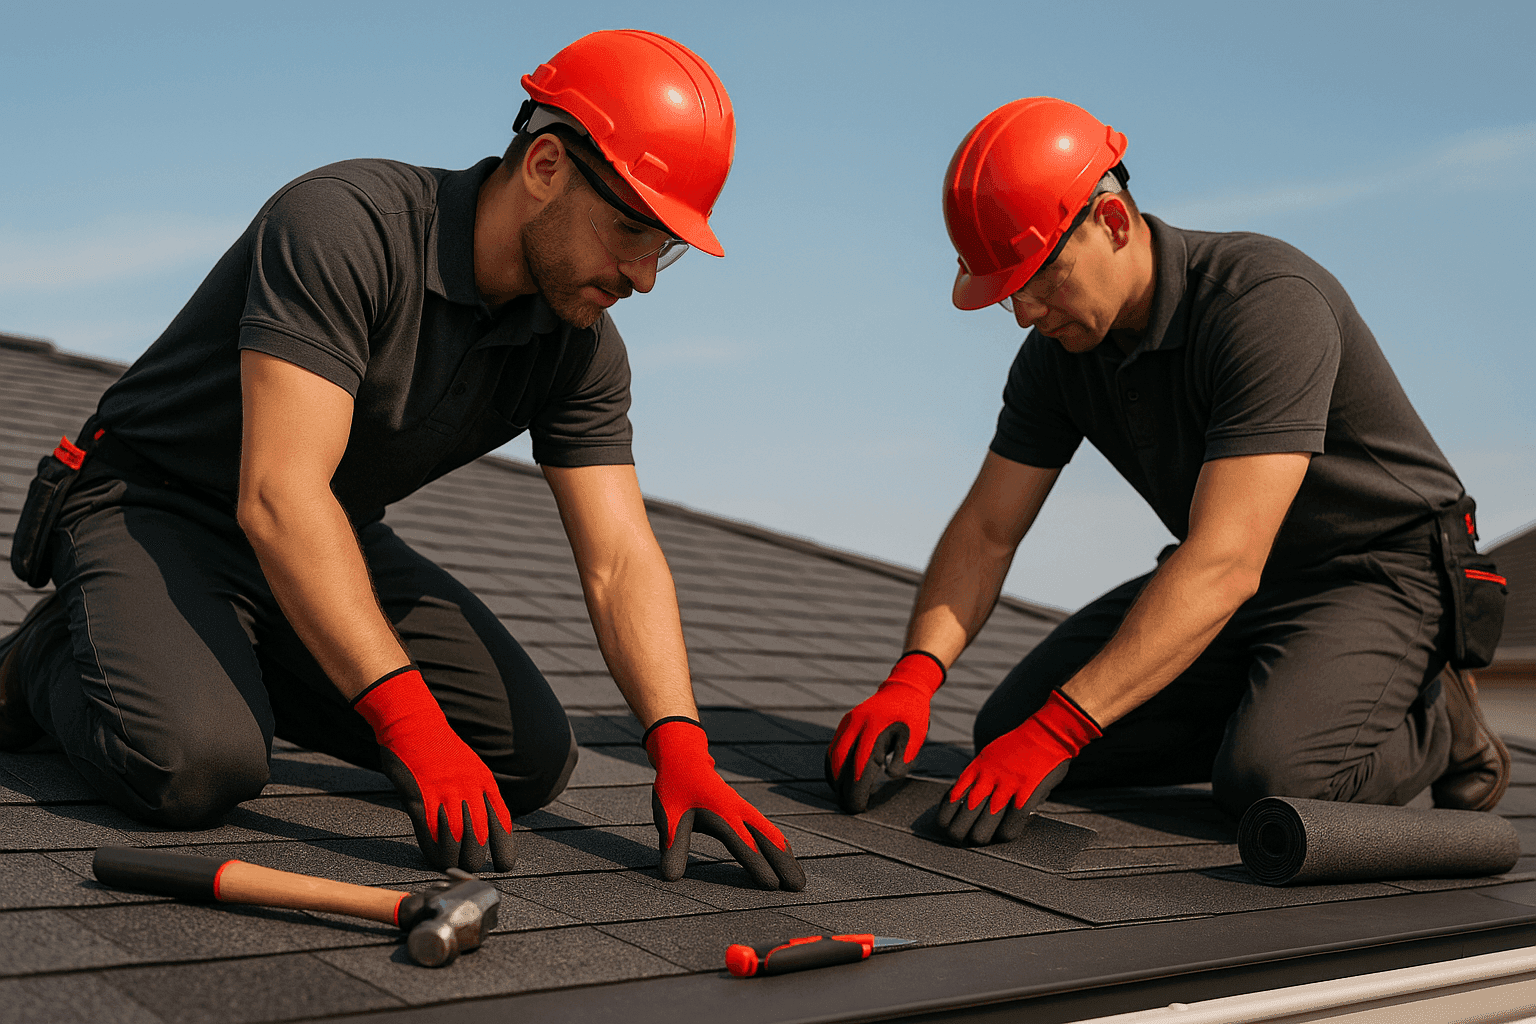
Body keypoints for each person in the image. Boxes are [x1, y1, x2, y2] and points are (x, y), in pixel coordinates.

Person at [0, 29, 804, 891]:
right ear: (543, 166)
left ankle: (217, 649)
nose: (644, 276)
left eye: (667, 247)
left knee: (527, 763)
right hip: (156, 510)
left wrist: (679, 741)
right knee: (195, 767)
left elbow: (618, 559)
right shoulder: (346, 226)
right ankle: (43, 658)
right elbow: (276, 495)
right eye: (631, 229)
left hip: (320, 539)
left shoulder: (579, 347)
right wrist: (406, 721)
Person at [825, 97, 1510, 844]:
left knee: (1270, 784)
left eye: (1040, 278)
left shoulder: (1263, 304)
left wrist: (1061, 730)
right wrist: (913, 678)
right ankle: (1286, 698)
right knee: (1005, 730)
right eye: (1005, 291)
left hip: (1376, 572)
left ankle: (1436, 717)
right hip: (1241, 583)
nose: (1023, 312)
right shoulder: (1060, 358)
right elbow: (988, 530)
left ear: (1113, 224)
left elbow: (1223, 560)